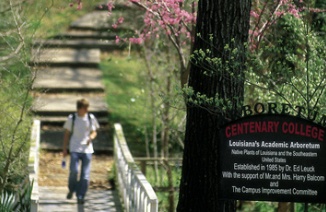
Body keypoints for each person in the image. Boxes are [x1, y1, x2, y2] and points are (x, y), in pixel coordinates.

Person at [62, 98, 100, 204]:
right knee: (74, 171)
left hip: (87, 149)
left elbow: (94, 132)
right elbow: (66, 134)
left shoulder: (90, 118)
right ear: (80, 108)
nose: (87, 109)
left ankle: (80, 195)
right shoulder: (72, 118)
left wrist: (91, 137)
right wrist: (64, 149)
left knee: (85, 174)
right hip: (74, 148)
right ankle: (72, 189)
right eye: (85, 108)